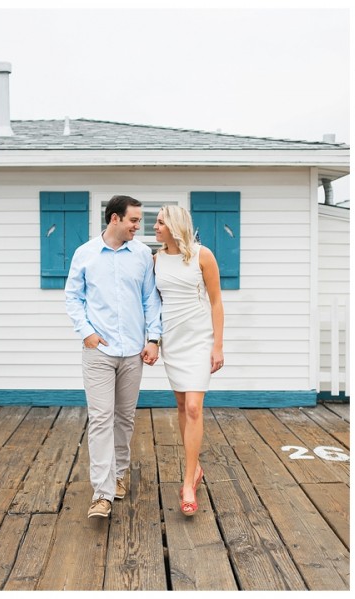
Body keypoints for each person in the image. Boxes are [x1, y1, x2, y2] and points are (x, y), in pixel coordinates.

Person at [65, 195, 162, 519]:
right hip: (99, 351)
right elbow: (73, 297)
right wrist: (87, 333)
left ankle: (119, 475)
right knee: (101, 418)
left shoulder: (142, 256)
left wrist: (153, 339)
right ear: (115, 219)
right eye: (134, 220)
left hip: (133, 350)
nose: (139, 226)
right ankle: (102, 494)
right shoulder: (85, 254)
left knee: (124, 418)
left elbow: (151, 299)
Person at [153, 205, 225, 516]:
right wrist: (154, 341)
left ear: (174, 225)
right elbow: (152, 303)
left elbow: (217, 300)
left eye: (159, 222)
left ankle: (187, 481)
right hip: (173, 340)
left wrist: (218, 345)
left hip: (198, 340)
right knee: (182, 405)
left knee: (194, 406)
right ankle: (195, 469)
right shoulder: (155, 260)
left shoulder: (202, 255)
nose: (154, 227)